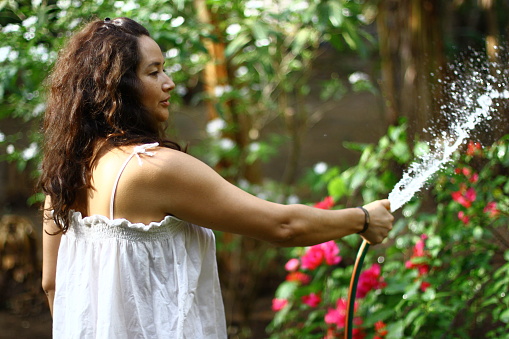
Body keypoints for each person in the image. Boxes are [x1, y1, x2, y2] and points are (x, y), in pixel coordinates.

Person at [40, 17, 394, 339]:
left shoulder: (67, 171)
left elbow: (52, 283)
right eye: (154, 72)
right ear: (118, 85)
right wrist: (362, 219)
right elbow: (283, 226)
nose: (170, 83)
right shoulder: (154, 168)